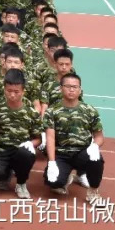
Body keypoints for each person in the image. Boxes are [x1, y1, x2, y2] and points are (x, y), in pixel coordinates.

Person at [43, 72, 105, 205]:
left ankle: (93, 192)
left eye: (75, 87)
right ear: (61, 89)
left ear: (80, 90)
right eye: (68, 86)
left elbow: (99, 136)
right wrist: (52, 162)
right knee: (54, 182)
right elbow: (50, 138)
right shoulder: (52, 111)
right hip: (62, 154)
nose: (71, 90)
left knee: (97, 159)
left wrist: (95, 146)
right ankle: (64, 179)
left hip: (82, 152)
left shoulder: (89, 110)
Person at [0, 69, 43, 199]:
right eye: (9, 91)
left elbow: (39, 139)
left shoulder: (31, 112)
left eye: (16, 92)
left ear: (23, 91)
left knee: (26, 154)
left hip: (21, 151)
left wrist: (30, 144)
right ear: (4, 89)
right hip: (2, 151)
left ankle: (21, 183)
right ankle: (5, 173)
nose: (12, 95)